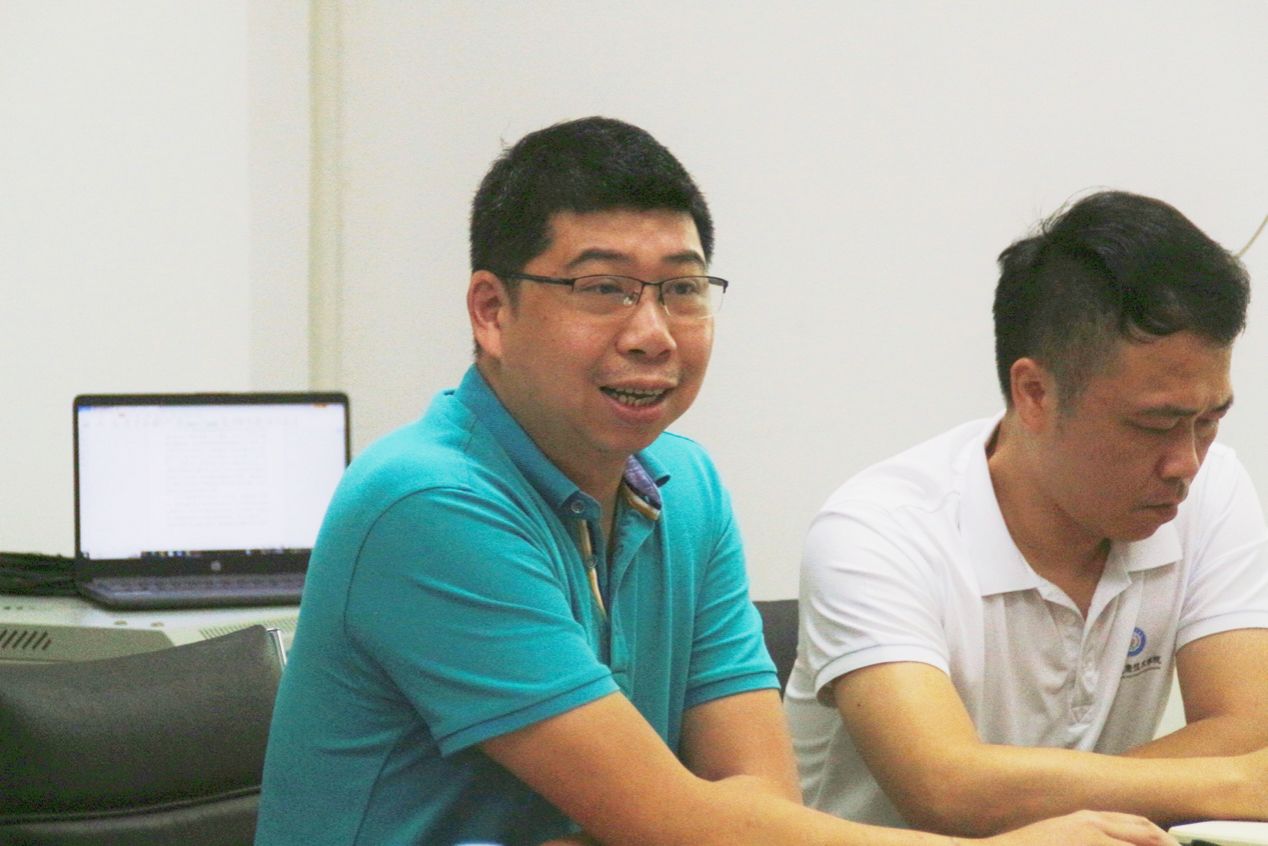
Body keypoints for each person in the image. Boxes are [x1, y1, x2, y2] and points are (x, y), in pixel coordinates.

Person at [256, 121, 1175, 846]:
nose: (652, 332)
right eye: (604, 288)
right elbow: (681, 820)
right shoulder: (429, 504)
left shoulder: (684, 487)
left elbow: (755, 807)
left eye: (683, 289)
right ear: (492, 311)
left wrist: (686, 827)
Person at [785, 190, 1268, 837]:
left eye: (1209, 422)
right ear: (1035, 392)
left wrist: (1020, 792)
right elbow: (945, 787)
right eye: (1154, 425)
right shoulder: (876, 531)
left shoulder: (1214, 487)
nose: (1186, 462)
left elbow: (1248, 726)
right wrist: (1236, 783)